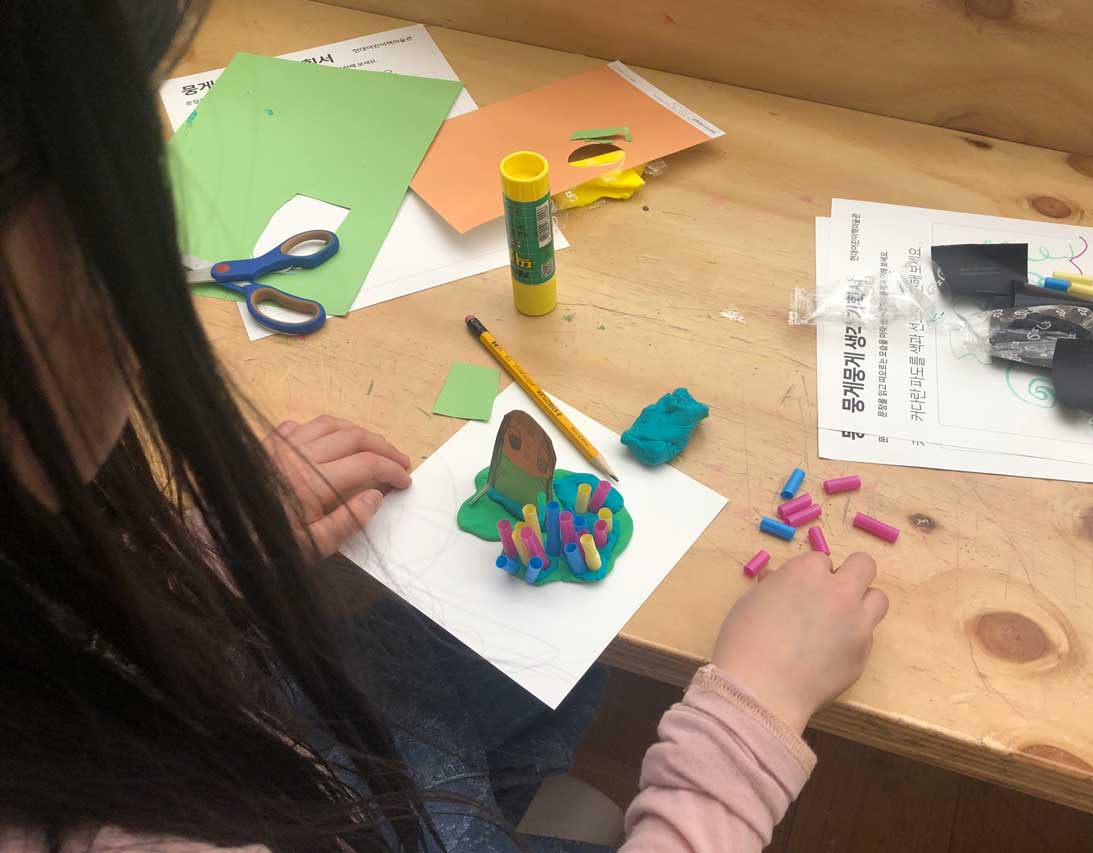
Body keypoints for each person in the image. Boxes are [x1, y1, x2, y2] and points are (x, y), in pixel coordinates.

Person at [0, 2, 888, 851]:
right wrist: (752, 718)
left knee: (542, 665)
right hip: (332, 813)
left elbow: (77, 639)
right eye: (117, 176)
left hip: (255, 731)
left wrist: (203, 560)